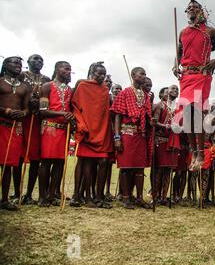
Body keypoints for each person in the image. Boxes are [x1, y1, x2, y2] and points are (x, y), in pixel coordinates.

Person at [173, 0, 215, 171]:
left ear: (201, 11)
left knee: (197, 112)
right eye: (189, 8)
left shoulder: (210, 31)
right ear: (186, 12)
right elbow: (178, 54)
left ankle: (201, 152)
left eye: (195, 7)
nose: (192, 9)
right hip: (186, 76)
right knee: (186, 114)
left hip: (202, 75)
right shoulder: (183, 32)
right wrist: (175, 66)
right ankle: (193, 150)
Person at [70, 62, 113, 208]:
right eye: (99, 73)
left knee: (103, 162)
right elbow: (75, 106)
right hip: (87, 130)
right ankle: (85, 196)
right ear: (91, 72)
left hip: (102, 130)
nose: (102, 76)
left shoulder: (105, 90)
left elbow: (105, 112)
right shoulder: (82, 86)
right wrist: (80, 124)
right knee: (86, 163)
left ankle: (99, 196)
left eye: (104, 74)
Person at [110, 67, 152, 209]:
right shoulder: (125, 93)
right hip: (126, 133)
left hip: (140, 135)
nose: (144, 76)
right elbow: (117, 115)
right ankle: (126, 197)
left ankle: (139, 198)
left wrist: (150, 119)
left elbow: (146, 116)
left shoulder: (145, 96)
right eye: (142, 74)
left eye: (145, 74)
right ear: (133, 75)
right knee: (126, 167)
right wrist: (117, 137)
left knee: (140, 168)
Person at [38, 61, 73, 207]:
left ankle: (52, 195)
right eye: (66, 68)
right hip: (50, 128)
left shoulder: (70, 90)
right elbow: (42, 111)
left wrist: (71, 116)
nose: (69, 71)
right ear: (57, 69)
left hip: (64, 130)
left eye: (70, 69)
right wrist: (62, 113)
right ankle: (42, 196)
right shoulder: (47, 86)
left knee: (60, 163)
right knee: (46, 162)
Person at [18, 54, 51, 205]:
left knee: (35, 158)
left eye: (41, 60)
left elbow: (47, 100)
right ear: (28, 62)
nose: (39, 62)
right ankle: (16, 192)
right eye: (35, 59)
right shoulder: (21, 75)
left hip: (38, 119)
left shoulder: (46, 79)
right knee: (18, 156)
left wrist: (39, 104)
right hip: (22, 118)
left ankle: (29, 194)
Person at [0, 57, 30, 210]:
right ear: (5, 66)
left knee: (8, 164)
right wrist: (6, 110)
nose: (18, 66)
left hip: (14, 128)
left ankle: (4, 200)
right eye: (14, 63)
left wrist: (23, 114)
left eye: (20, 64)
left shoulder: (24, 87)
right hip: (0, 124)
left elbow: (26, 108)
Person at [153, 85, 179, 205]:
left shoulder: (178, 108)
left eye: (177, 90)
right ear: (167, 92)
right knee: (159, 169)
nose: (175, 91)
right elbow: (155, 122)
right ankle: (156, 196)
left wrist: (180, 127)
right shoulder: (160, 105)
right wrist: (166, 126)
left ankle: (164, 197)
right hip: (161, 140)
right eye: (173, 89)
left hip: (173, 141)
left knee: (168, 169)